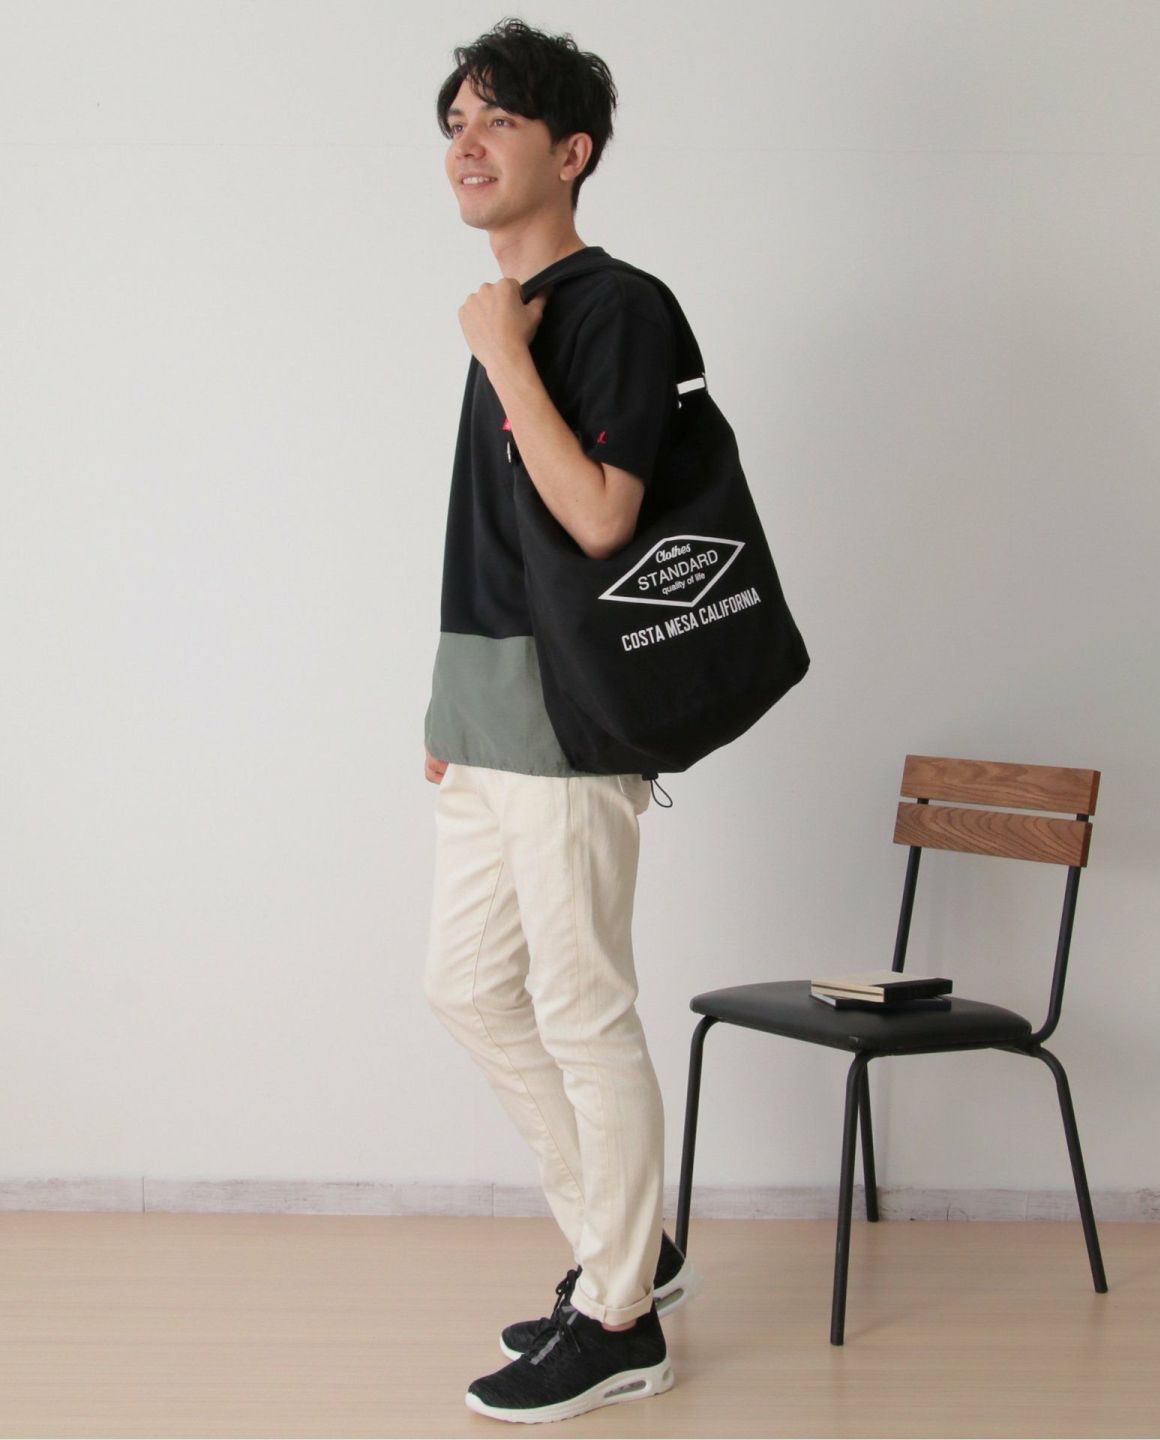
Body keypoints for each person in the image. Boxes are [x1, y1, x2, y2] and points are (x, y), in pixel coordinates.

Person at [421, 17, 702, 1425]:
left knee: (584, 1009)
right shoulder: (509, 312)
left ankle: (623, 1319)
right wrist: (447, 701)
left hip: (572, 720)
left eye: (499, 120)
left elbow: (598, 519)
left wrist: (504, 357)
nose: (466, 146)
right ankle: (624, 1245)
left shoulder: (617, 309)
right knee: (467, 987)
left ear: (571, 151)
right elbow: (493, 546)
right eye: (455, 122)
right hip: (488, 712)